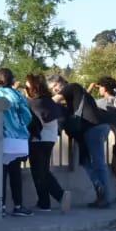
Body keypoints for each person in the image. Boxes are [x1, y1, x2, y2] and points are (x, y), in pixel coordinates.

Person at [48, 74, 113, 208]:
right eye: (51, 88)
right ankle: (100, 191)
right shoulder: (75, 97)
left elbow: (53, 101)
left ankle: (105, 198)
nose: (54, 89)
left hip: (93, 128)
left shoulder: (72, 87)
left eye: (55, 86)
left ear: (61, 82)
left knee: (98, 162)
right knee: (84, 161)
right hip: (91, 130)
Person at [0, 69, 34, 216]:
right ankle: (18, 205)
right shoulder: (18, 95)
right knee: (15, 172)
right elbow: (27, 116)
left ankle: (0, 206)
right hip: (18, 140)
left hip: (1, 138)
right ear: (12, 79)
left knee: (1, 173)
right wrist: (18, 127)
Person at [24, 74, 71, 213]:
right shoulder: (49, 101)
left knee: (39, 172)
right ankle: (45, 202)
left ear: (33, 88)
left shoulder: (34, 102)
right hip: (49, 139)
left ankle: (58, 196)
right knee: (42, 171)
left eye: (27, 87)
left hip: (38, 140)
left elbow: (32, 121)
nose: (25, 89)